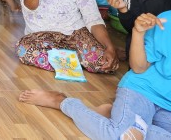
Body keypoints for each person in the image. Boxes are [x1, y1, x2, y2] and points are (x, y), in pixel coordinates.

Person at [19, 12, 171, 140]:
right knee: (120, 136)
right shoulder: (166, 20)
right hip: (143, 90)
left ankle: (117, 115)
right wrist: (138, 33)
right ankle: (62, 102)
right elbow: (139, 67)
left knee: (133, 132)